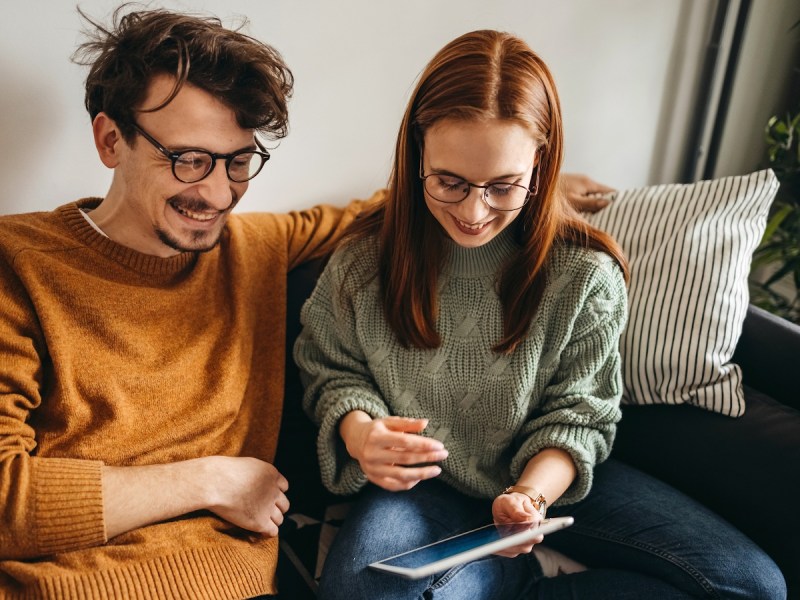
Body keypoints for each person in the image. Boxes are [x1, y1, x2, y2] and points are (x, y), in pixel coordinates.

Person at [294, 30, 787, 599]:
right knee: (362, 591)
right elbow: (329, 367)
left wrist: (529, 498)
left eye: (503, 186)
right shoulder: (365, 260)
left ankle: (504, 579)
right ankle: (502, 578)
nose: (474, 212)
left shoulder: (584, 274)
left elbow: (580, 415)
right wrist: (362, 436)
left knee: (752, 586)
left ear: (541, 164)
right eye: (449, 182)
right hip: (419, 487)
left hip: (548, 480)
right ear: (416, 153)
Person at [0, 7, 371, 599]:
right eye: (189, 159)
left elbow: (394, 208)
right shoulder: (17, 263)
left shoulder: (255, 248)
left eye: (239, 161)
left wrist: (529, 191)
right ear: (110, 140)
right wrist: (209, 480)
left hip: (231, 586)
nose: (218, 193)